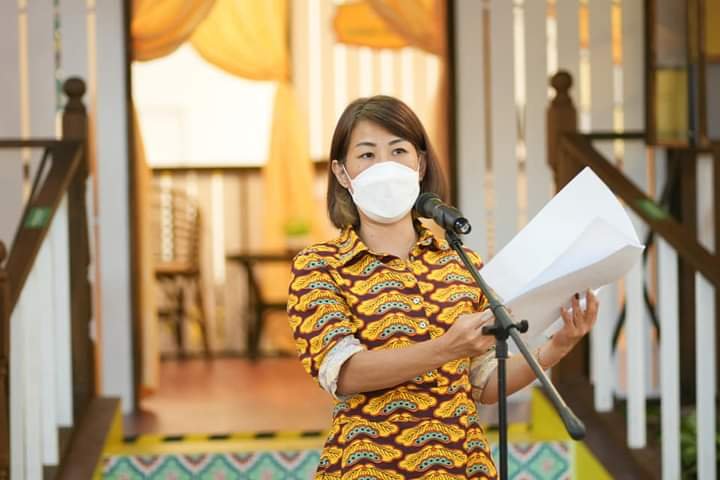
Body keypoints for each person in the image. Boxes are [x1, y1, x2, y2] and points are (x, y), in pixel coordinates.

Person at [287, 95, 598, 479]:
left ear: (420, 164)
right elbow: (345, 373)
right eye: (367, 155)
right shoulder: (319, 266)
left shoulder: (461, 263)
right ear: (341, 172)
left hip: (463, 466)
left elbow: (484, 383)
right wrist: (446, 348)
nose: (384, 166)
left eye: (398, 151)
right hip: (368, 466)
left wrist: (559, 345)